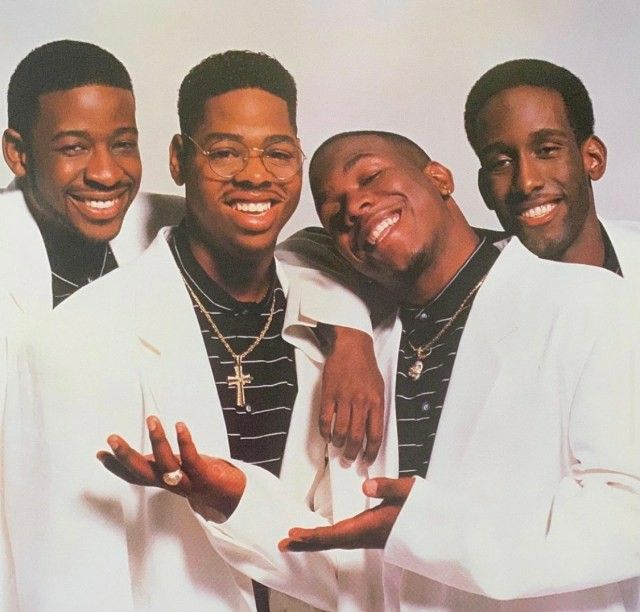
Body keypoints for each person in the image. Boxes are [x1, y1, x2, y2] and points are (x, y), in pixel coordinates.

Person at [112, 131, 640, 610]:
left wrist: (424, 527)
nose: (355, 206)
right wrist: (236, 501)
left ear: (439, 178)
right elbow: (350, 571)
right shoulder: (365, 359)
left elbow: (627, 517)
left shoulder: (589, 304)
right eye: (333, 209)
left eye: (371, 177)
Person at [3, 51, 381, 612]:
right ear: (179, 160)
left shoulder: (338, 314)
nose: (255, 172)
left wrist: (352, 331)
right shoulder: (69, 336)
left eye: (278, 153)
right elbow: (67, 574)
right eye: (225, 152)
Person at [0, 39, 183, 609]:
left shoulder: (168, 226)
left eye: (123, 144)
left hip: (154, 565)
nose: (106, 172)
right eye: (74, 147)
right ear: (19, 153)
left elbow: (300, 248)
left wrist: (346, 329)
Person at [464, 58, 640, 279]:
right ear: (484, 190)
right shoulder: (473, 305)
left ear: (593, 158)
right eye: (501, 163)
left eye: (546, 150)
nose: (526, 183)